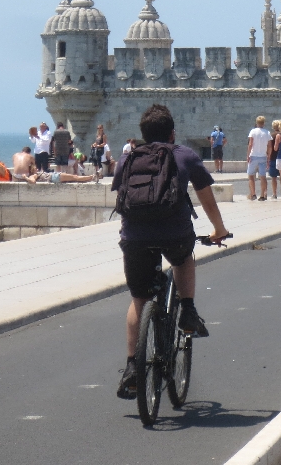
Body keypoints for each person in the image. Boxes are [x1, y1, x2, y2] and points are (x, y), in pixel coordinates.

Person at [114, 104, 230, 401]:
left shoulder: (127, 159)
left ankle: (132, 368)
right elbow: (207, 199)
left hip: (135, 237)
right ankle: (188, 310)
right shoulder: (185, 155)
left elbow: (122, 196)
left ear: (143, 134)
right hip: (174, 233)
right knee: (183, 258)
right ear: (172, 133)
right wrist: (219, 229)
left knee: (139, 299)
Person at [246, 115, 271, 200]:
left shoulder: (253, 131)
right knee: (262, 176)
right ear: (264, 123)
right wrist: (268, 156)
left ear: (256, 122)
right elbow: (269, 146)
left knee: (251, 176)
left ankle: (253, 194)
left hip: (253, 155)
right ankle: (262, 195)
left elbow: (250, 144)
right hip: (263, 156)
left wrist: (248, 155)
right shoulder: (267, 132)